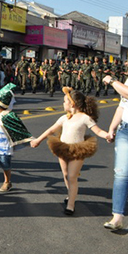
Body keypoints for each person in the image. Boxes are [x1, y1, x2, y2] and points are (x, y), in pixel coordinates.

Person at [31, 87, 108, 215]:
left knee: (72, 176)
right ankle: (70, 194)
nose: (63, 104)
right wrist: (38, 140)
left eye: (65, 101)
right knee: (66, 175)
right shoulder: (64, 118)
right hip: (62, 148)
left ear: (72, 103)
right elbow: (50, 130)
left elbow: (98, 131)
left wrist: (108, 136)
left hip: (77, 150)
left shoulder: (85, 118)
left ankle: (71, 205)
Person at [102, 47, 128, 231]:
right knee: (121, 175)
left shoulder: (125, 83)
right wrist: (112, 128)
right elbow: (123, 105)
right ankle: (117, 217)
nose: (126, 63)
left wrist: (112, 81)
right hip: (126, 131)